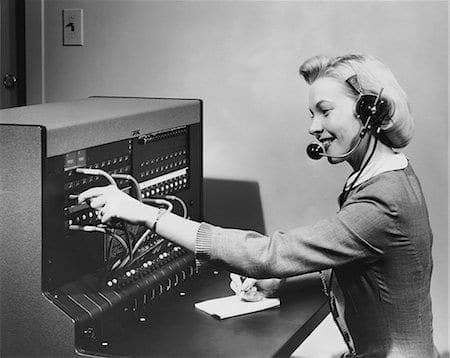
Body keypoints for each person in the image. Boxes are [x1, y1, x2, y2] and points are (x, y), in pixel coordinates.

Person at [79, 54, 437, 357]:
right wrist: (279, 285)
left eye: (325, 111)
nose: (314, 127)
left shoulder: (383, 200)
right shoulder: (389, 175)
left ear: (370, 111)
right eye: (311, 114)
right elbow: (361, 265)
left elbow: (269, 254)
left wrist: (146, 213)